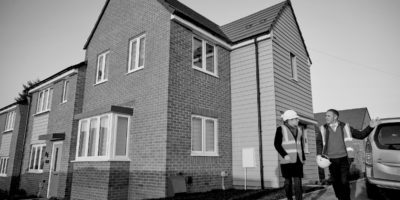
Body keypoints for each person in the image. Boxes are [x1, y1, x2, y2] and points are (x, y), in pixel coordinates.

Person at [316, 109, 380, 200]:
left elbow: (360, 135)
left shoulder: (346, 127)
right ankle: (340, 197)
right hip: (330, 160)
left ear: (335, 117)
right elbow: (318, 142)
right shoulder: (323, 128)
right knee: (335, 182)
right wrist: (319, 154)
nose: (326, 117)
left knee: (344, 182)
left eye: (328, 115)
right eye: (325, 115)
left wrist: (370, 126)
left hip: (344, 159)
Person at [274, 110, 306, 200]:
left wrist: (303, 158)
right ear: (289, 120)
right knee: (288, 182)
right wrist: (284, 155)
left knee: (298, 182)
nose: (297, 120)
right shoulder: (280, 129)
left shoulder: (299, 130)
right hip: (287, 160)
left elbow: (301, 145)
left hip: (298, 160)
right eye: (296, 119)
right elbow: (277, 144)